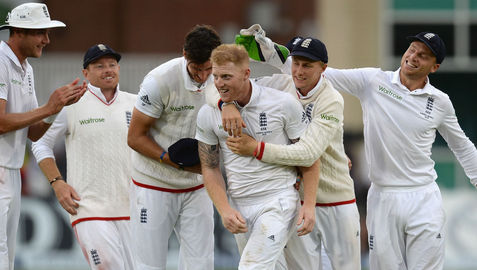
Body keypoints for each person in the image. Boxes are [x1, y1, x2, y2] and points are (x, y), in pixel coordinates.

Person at [235, 26, 477, 269]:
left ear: (434, 67)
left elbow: (462, 146)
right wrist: (265, 47)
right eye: (412, 50)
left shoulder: (440, 102)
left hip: (424, 195)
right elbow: (316, 72)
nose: (413, 57)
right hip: (382, 195)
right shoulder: (374, 81)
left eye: (423, 55)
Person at [221, 33, 361, 270]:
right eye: (296, 63)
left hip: (337, 201)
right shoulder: (282, 84)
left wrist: (257, 149)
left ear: (323, 68)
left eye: (307, 65)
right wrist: (226, 104)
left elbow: (308, 153)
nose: (299, 71)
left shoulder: (331, 99)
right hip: (298, 201)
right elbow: (233, 87)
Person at [196, 43, 320, 270]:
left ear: (246, 74)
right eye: (215, 76)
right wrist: (224, 209)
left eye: (226, 76)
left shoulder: (282, 103)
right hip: (240, 207)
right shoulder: (208, 114)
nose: (220, 83)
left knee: (251, 267)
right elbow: (210, 167)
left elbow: (308, 157)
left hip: (278, 201)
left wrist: (309, 205)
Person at [31, 44, 135, 269]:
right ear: (85, 73)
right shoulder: (71, 104)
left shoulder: (135, 103)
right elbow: (40, 144)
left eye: (112, 64)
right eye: (99, 66)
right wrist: (57, 183)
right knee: (106, 265)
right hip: (88, 207)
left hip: (132, 208)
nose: (107, 70)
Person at [126, 25, 221, 269]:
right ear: (184, 55)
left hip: (198, 185)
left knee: (201, 264)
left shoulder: (222, 77)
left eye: (208, 68)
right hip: (153, 183)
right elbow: (135, 137)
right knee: (149, 265)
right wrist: (173, 161)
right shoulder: (159, 80)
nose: (202, 76)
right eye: (196, 69)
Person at [0, 3, 86, 270]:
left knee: (7, 255)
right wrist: (49, 107)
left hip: (11, 170)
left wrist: (63, 115)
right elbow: (1, 123)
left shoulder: (26, 68)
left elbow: (34, 130)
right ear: (18, 31)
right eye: (40, 33)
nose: (47, 40)